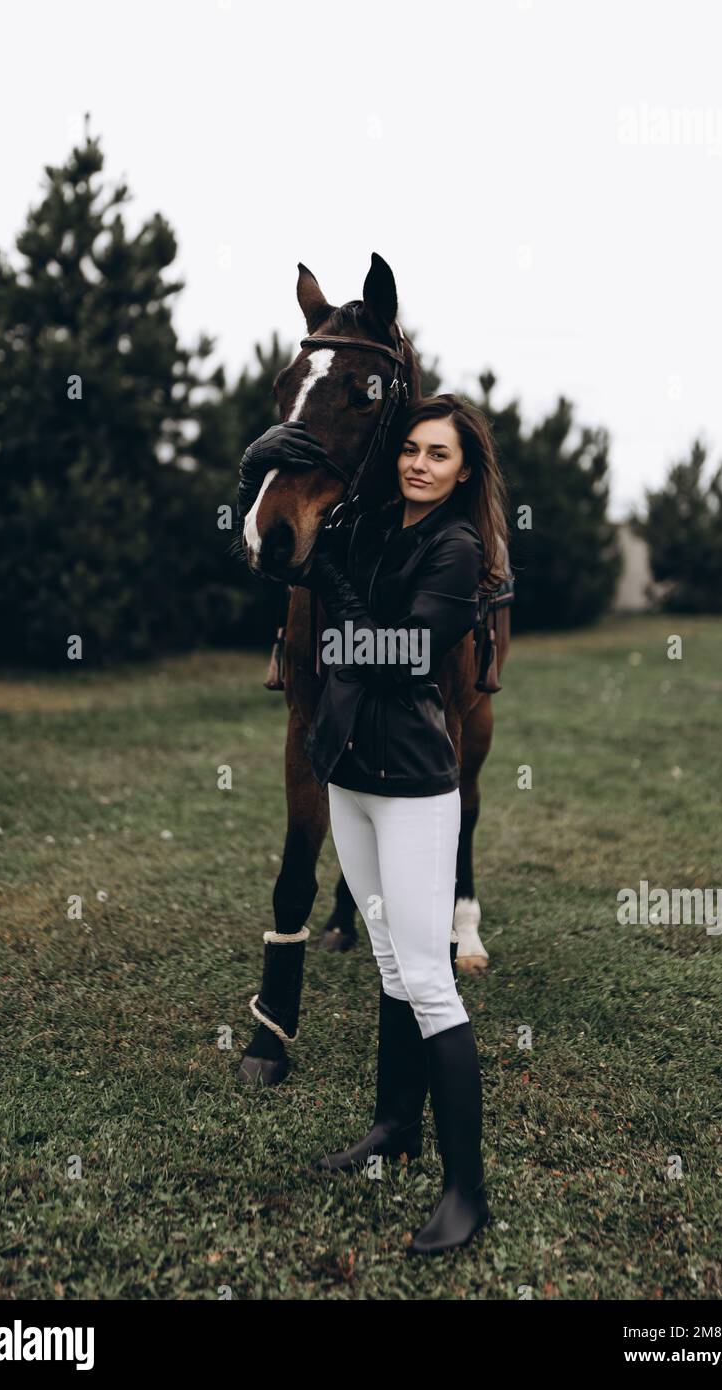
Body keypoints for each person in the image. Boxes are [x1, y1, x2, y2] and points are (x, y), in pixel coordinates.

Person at [236, 395, 509, 1256]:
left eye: (440, 455)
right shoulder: (371, 522)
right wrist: (256, 470)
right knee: (388, 957)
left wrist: (342, 600)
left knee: (430, 979)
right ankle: (396, 1127)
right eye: (413, 450)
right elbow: (272, 557)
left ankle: (467, 1192)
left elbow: (401, 655)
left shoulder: (457, 547)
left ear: (465, 472)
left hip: (413, 784)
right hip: (347, 776)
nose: (420, 464)